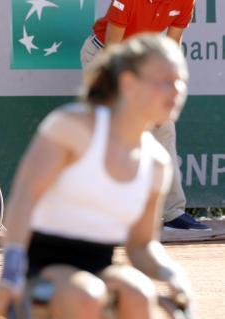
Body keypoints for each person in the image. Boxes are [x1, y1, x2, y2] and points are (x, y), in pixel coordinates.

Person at [0, 34, 193, 318]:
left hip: (100, 266)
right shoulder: (73, 127)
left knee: (139, 294)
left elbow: (142, 245)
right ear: (128, 83)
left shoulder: (157, 163)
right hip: (40, 266)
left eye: (180, 81)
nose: (176, 90)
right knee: (86, 296)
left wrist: (171, 274)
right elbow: (24, 199)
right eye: (164, 81)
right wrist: (10, 274)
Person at [80, 0, 210, 231]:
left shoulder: (186, 2)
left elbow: (170, 49)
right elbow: (113, 53)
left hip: (141, 63)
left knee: (164, 128)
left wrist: (162, 95)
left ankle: (173, 213)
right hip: (104, 57)